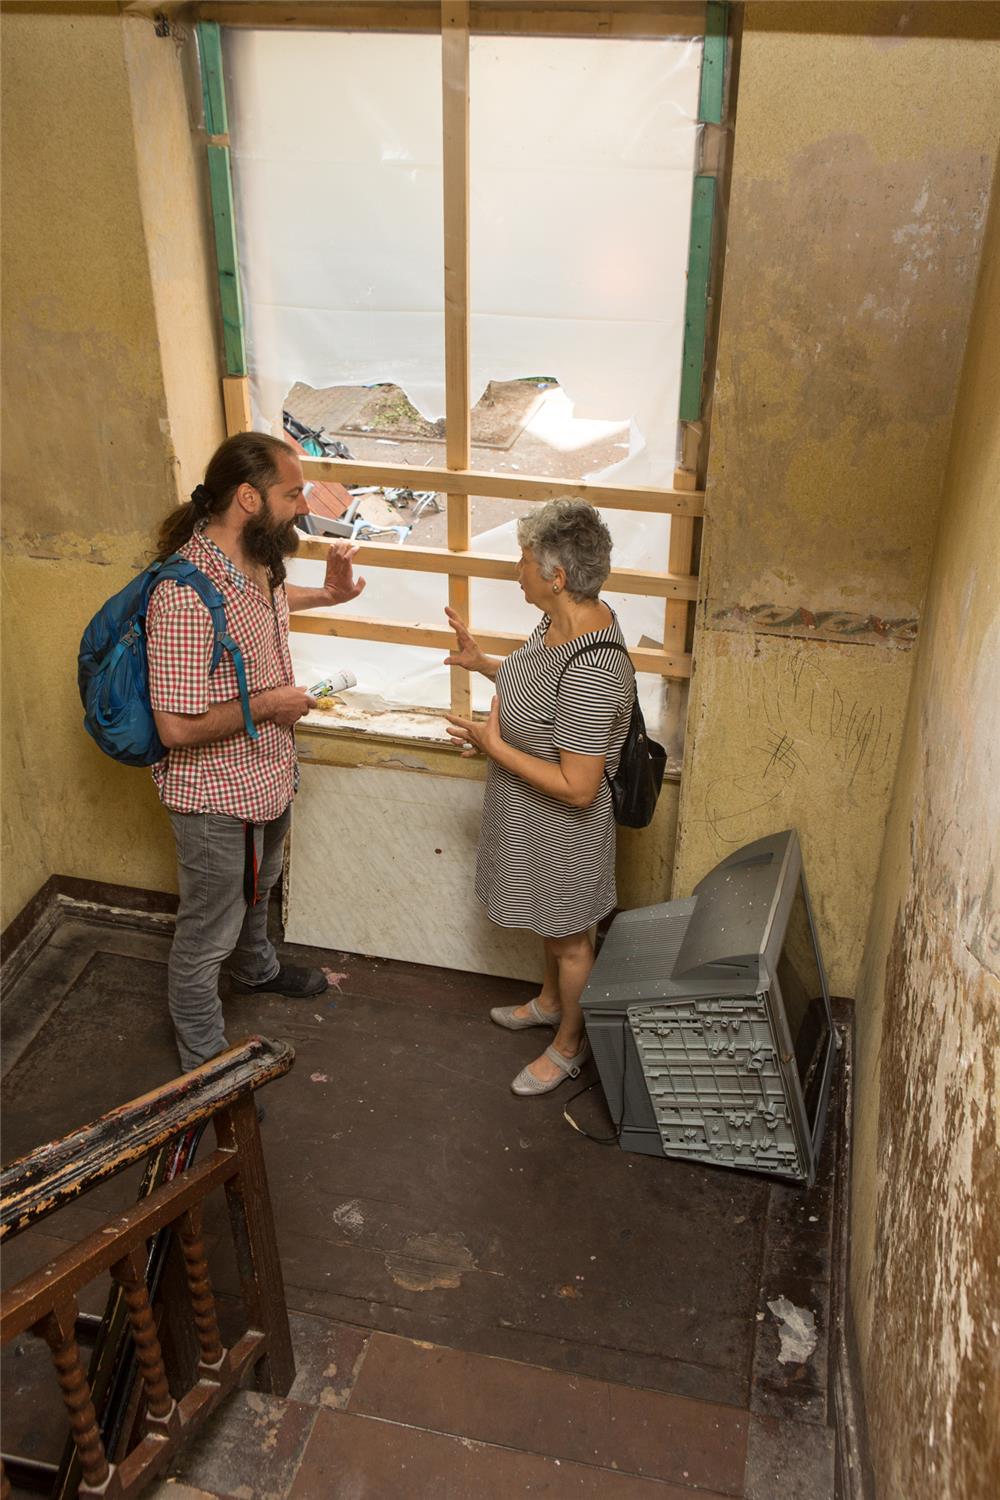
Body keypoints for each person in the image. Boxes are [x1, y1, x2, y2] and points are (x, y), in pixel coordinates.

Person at [147, 431, 365, 1072]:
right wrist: (271, 705)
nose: (305, 506)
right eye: (292, 493)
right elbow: (174, 729)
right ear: (248, 497)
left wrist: (326, 597)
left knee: (260, 887)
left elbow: (259, 605)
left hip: (266, 775)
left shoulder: (256, 560)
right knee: (205, 935)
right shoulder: (184, 595)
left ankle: (256, 969)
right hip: (215, 797)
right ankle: (208, 1072)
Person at [444, 499, 633, 1096]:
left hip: (565, 831)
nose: (516, 571)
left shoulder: (595, 669)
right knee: (551, 927)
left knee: (570, 938)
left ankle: (569, 1045)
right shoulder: (560, 620)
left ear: (557, 576)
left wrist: (493, 745)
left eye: (524, 561)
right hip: (531, 818)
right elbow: (541, 686)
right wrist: (484, 665)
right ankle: (551, 1003)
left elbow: (579, 787)